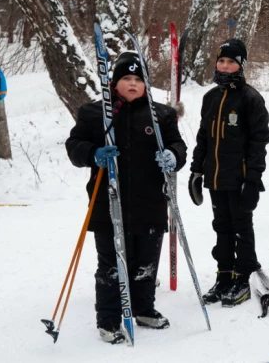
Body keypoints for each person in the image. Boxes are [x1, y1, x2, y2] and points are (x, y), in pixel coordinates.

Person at [66, 51, 187, 343]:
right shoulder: (95, 114)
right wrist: (93, 153)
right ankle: (108, 318)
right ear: (114, 83)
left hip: (150, 202)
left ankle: (143, 307)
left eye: (138, 79)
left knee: (146, 260)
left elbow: (178, 146)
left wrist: (172, 156)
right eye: (126, 79)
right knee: (111, 263)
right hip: (109, 203)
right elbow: (74, 145)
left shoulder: (162, 114)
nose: (132, 84)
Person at [188, 38, 269, 307]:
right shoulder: (210, 98)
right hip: (214, 178)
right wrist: (196, 171)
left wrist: (253, 179)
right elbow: (203, 138)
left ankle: (242, 277)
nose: (224, 66)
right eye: (221, 61)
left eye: (231, 62)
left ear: (241, 66)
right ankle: (224, 275)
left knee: (241, 228)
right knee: (221, 227)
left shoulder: (250, 99)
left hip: (240, 178)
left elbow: (259, 141)